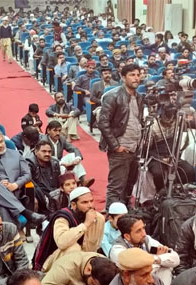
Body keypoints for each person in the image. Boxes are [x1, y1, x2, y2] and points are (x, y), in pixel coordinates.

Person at [99, 64, 142, 209]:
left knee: (129, 187)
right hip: (120, 150)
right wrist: (116, 146)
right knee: (117, 188)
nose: (136, 78)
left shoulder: (139, 97)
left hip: (135, 148)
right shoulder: (113, 96)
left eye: (138, 74)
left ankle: (126, 215)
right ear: (123, 77)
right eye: (132, 75)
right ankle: (112, 218)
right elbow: (103, 123)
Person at [34, 186, 105, 270]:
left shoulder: (99, 219)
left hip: (85, 263)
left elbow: (96, 246)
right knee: (74, 249)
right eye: (85, 202)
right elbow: (62, 242)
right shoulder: (63, 218)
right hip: (56, 263)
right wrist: (85, 225)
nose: (90, 205)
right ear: (73, 205)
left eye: (91, 201)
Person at [109, 215, 179, 285]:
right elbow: (139, 271)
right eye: (138, 231)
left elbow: (176, 258)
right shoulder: (117, 249)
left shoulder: (146, 240)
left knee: (166, 268)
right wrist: (157, 261)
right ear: (127, 236)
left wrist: (156, 259)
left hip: (151, 284)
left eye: (143, 228)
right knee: (163, 266)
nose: (144, 234)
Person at [43, 120, 92, 186]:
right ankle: (68, 184)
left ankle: (82, 180)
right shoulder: (44, 141)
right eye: (55, 130)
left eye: (59, 131)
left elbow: (74, 149)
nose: (57, 133)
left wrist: (77, 158)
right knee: (62, 167)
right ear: (48, 131)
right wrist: (63, 164)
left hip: (59, 162)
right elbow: (45, 158)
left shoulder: (61, 139)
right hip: (48, 164)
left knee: (73, 155)